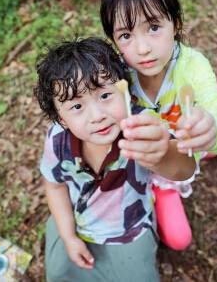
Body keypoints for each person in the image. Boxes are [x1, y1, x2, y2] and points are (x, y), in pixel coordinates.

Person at [34, 37, 196, 282]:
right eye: (77, 107)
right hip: (77, 222)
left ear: (126, 92)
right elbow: (55, 186)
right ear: (61, 119)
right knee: (58, 273)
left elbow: (184, 169)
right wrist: (68, 236)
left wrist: (161, 153)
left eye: (105, 95)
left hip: (129, 229)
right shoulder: (57, 141)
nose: (97, 116)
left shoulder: (142, 126)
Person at [100, 0, 217, 250]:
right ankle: (164, 186)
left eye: (154, 27)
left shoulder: (193, 66)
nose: (142, 48)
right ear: (113, 41)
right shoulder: (116, 73)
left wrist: (213, 125)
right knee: (179, 239)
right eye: (125, 36)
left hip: (186, 139)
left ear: (176, 23)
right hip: (156, 162)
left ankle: (206, 146)